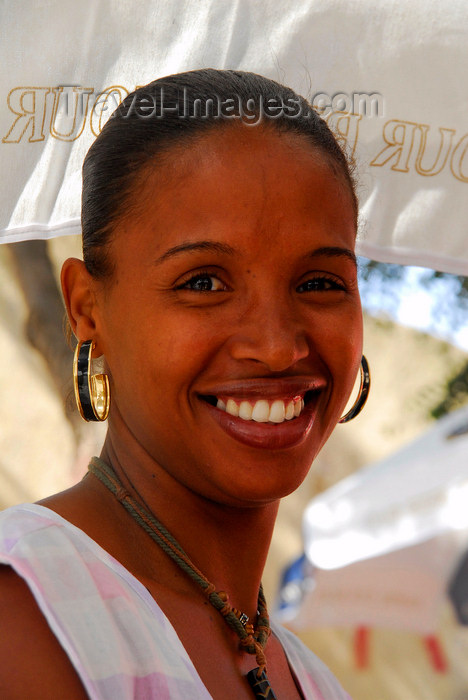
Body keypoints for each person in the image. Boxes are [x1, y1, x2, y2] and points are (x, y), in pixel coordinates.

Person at [0, 69, 368, 699]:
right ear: (86, 308)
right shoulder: (29, 612)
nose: (277, 345)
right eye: (203, 282)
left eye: (318, 283)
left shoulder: (315, 682)